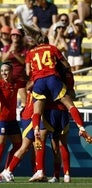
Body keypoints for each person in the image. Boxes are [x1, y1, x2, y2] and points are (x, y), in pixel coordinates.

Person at [21, 24, 91, 163]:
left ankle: (35, 131)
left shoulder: (31, 53)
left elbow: (28, 72)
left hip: (39, 82)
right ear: (46, 40)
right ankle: (81, 128)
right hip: (53, 79)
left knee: (37, 111)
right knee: (70, 105)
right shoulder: (52, 48)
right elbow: (66, 65)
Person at [1, 28, 28, 106]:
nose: (15, 36)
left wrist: (15, 53)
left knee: (24, 99)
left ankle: (26, 116)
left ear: (20, 37)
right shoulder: (7, 47)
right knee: (6, 98)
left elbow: (24, 61)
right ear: (11, 36)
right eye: (13, 35)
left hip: (20, 77)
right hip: (8, 78)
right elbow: (3, 59)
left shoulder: (24, 48)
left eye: (17, 35)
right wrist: (10, 51)